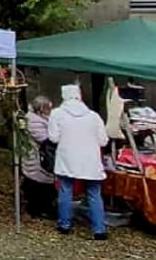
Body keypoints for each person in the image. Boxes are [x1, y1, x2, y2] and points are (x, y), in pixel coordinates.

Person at [47, 81, 110, 239]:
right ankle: (99, 230)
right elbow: (103, 141)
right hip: (90, 158)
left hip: (68, 157)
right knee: (94, 193)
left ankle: (64, 225)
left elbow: (53, 138)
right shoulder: (93, 116)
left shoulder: (57, 113)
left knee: (65, 190)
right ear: (80, 96)